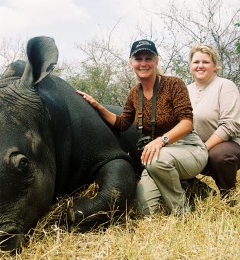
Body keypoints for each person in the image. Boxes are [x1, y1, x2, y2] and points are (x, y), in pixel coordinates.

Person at [77, 39, 208, 215]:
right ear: (131, 62)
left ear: (156, 61)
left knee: (155, 160)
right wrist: (98, 106)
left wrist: (161, 141)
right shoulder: (134, 93)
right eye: (138, 58)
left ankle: (181, 211)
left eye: (149, 58)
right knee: (144, 210)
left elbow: (187, 122)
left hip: (188, 147)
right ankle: (188, 186)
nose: (143, 63)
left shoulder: (173, 84)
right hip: (159, 156)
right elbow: (122, 123)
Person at [188, 44, 240, 196]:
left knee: (220, 156)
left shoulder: (225, 86)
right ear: (191, 65)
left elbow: (230, 125)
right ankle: (203, 192)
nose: (200, 66)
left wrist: (203, 148)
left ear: (215, 66)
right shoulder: (185, 90)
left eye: (205, 62)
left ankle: (228, 195)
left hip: (227, 144)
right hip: (194, 146)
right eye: (196, 62)